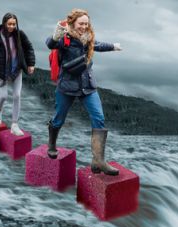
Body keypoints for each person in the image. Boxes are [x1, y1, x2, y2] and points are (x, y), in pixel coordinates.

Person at [45, 9, 122, 175]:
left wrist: (113, 46)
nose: (84, 26)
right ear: (73, 23)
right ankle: (51, 145)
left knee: (99, 118)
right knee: (58, 119)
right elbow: (50, 44)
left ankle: (98, 161)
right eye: (81, 23)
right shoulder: (64, 38)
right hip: (67, 87)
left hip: (88, 86)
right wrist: (55, 35)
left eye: (86, 24)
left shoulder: (88, 39)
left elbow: (98, 45)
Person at [0, 12, 36, 136]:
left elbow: (29, 47)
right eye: (9, 24)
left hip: (16, 70)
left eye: (14, 24)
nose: (11, 26)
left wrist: (31, 64)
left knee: (17, 96)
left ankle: (14, 125)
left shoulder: (20, 35)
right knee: (4, 96)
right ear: (4, 23)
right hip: (2, 71)